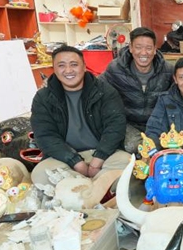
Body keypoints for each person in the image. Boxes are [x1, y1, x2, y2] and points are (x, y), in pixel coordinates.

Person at [30, 45, 130, 185]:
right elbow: (46, 136)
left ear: (84, 67)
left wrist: (98, 160)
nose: (68, 70)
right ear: (54, 69)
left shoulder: (105, 91)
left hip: (104, 156)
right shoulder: (43, 97)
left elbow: (115, 127)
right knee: (40, 175)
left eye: (74, 65)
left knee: (129, 165)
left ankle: (77, 189)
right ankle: (96, 188)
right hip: (64, 158)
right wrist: (75, 161)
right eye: (61, 65)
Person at [100, 27, 173, 152]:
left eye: (149, 48)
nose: (143, 53)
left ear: (155, 50)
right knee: (134, 146)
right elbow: (97, 88)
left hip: (157, 123)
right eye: (138, 47)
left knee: (160, 147)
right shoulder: (116, 69)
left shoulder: (168, 70)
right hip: (128, 123)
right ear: (131, 48)